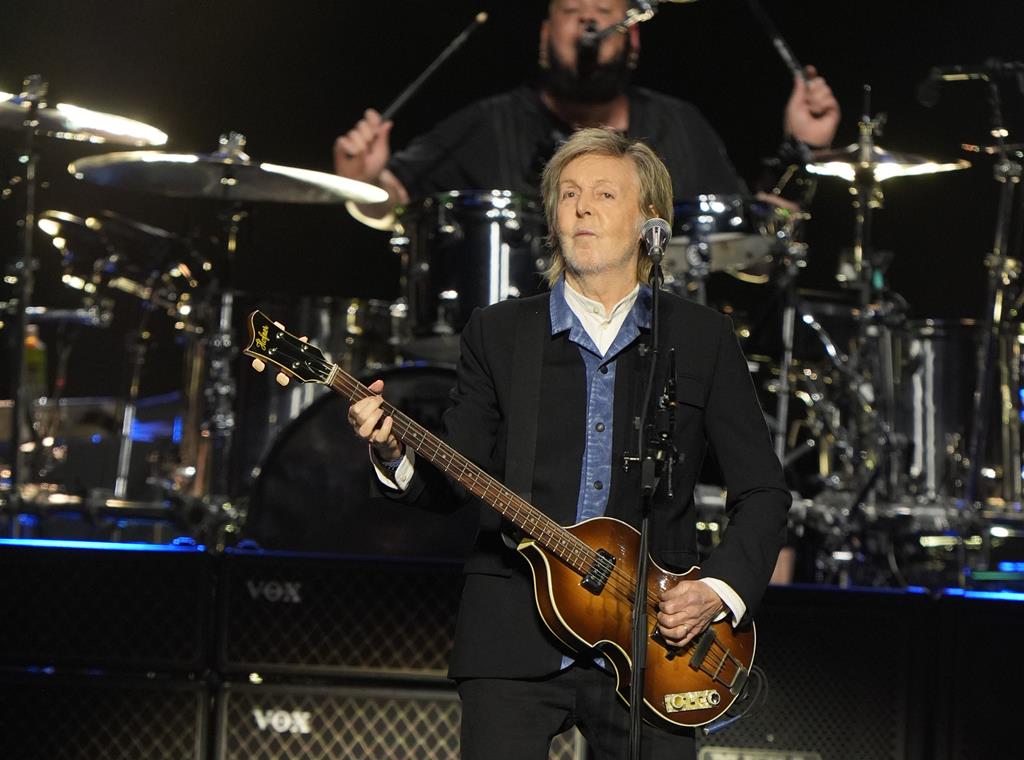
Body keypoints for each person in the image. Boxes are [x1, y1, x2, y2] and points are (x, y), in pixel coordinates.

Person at [346, 127, 792, 759]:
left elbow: (764, 490)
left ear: (649, 221)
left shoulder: (701, 338)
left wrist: (717, 592)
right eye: (569, 194)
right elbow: (454, 480)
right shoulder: (498, 332)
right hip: (512, 634)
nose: (582, 208)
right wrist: (393, 454)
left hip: (658, 643)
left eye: (605, 194)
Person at [333, 0, 840, 227]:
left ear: (633, 37)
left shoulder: (679, 126)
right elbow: (390, 205)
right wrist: (363, 183)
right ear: (544, 37)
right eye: (574, 12)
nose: (589, 22)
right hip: (517, 368)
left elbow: (750, 244)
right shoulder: (488, 123)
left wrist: (804, 150)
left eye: (604, 13)